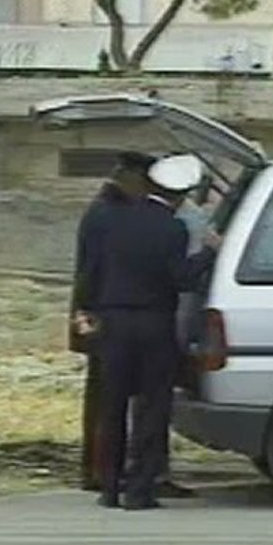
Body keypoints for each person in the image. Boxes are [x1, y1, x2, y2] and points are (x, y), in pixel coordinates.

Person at [75, 155, 221, 510]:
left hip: (113, 323)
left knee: (112, 407)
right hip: (154, 324)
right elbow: (181, 278)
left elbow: (90, 271)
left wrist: (86, 313)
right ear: (180, 195)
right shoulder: (174, 229)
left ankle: (109, 488)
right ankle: (140, 490)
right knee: (151, 409)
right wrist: (209, 254)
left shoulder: (112, 220)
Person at [70, 152, 155, 492]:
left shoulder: (107, 209)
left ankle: (103, 468)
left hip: (104, 313)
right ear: (130, 177)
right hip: (105, 315)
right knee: (107, 401)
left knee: (107, 398)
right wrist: (85, 316)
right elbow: (92, 270)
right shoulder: (107, 213)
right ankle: (101, 470)